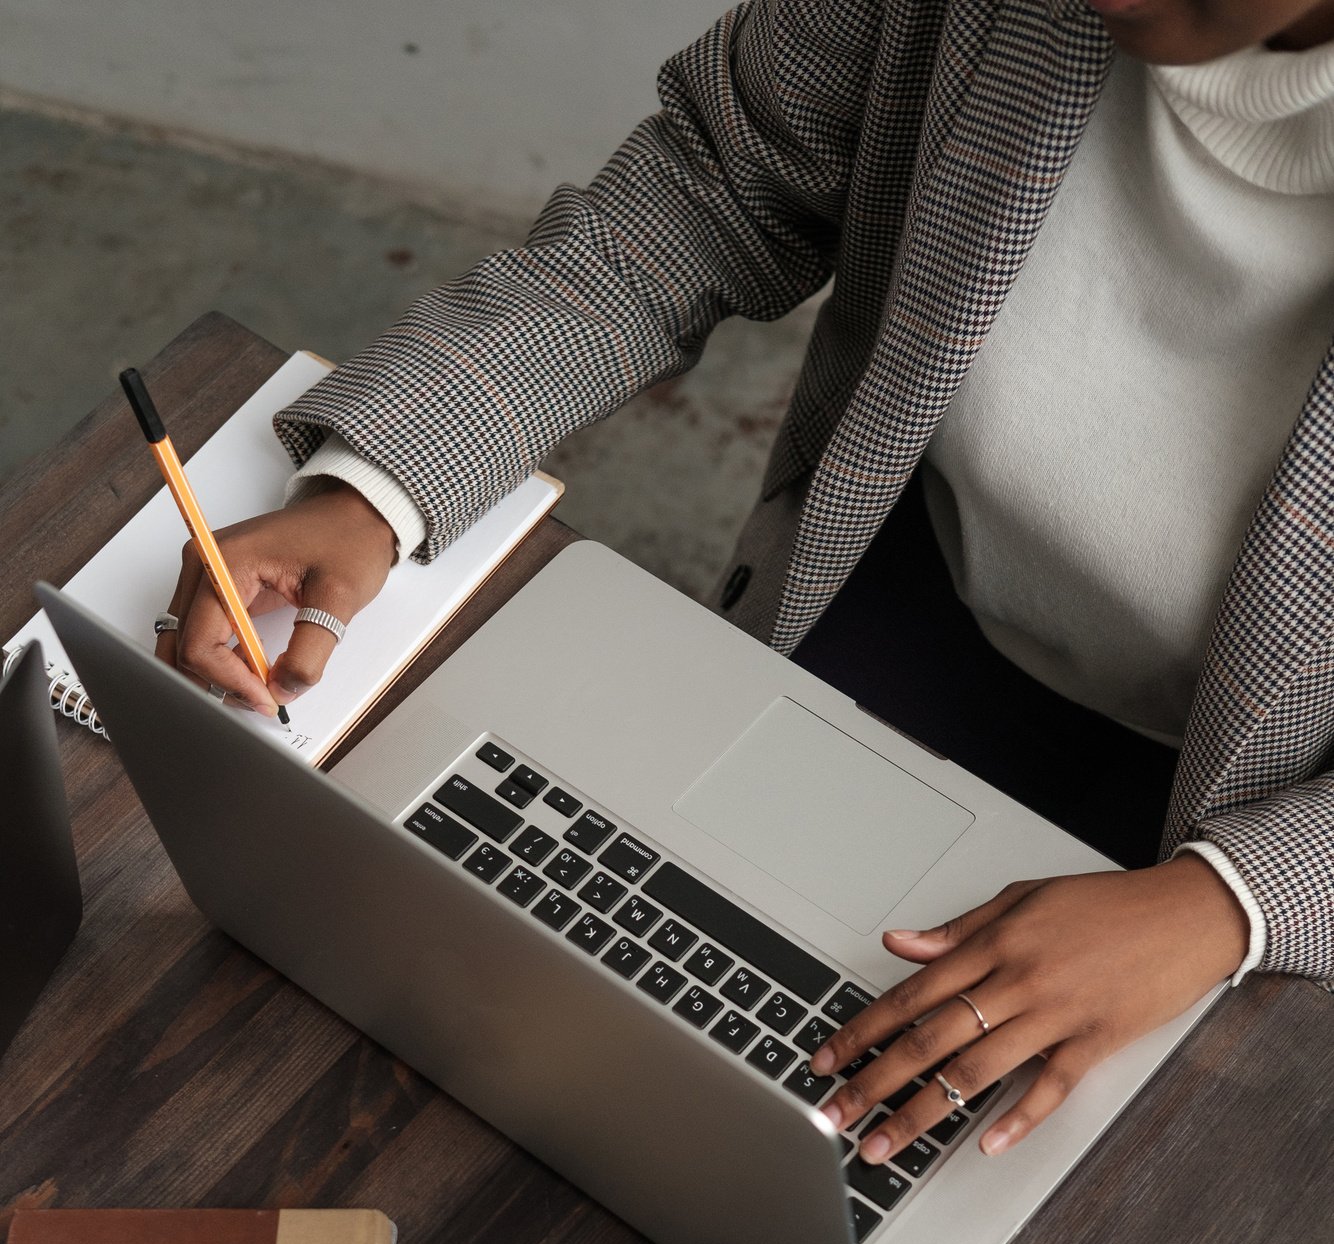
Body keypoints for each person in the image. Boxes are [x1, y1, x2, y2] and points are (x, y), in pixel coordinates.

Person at [156, 0, 1334, 1164]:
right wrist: (382, 483)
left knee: (996, 1171)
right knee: (602, 1016)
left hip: (1263, 786)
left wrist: (1231, 900)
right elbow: (707, 194)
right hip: (917, 581)